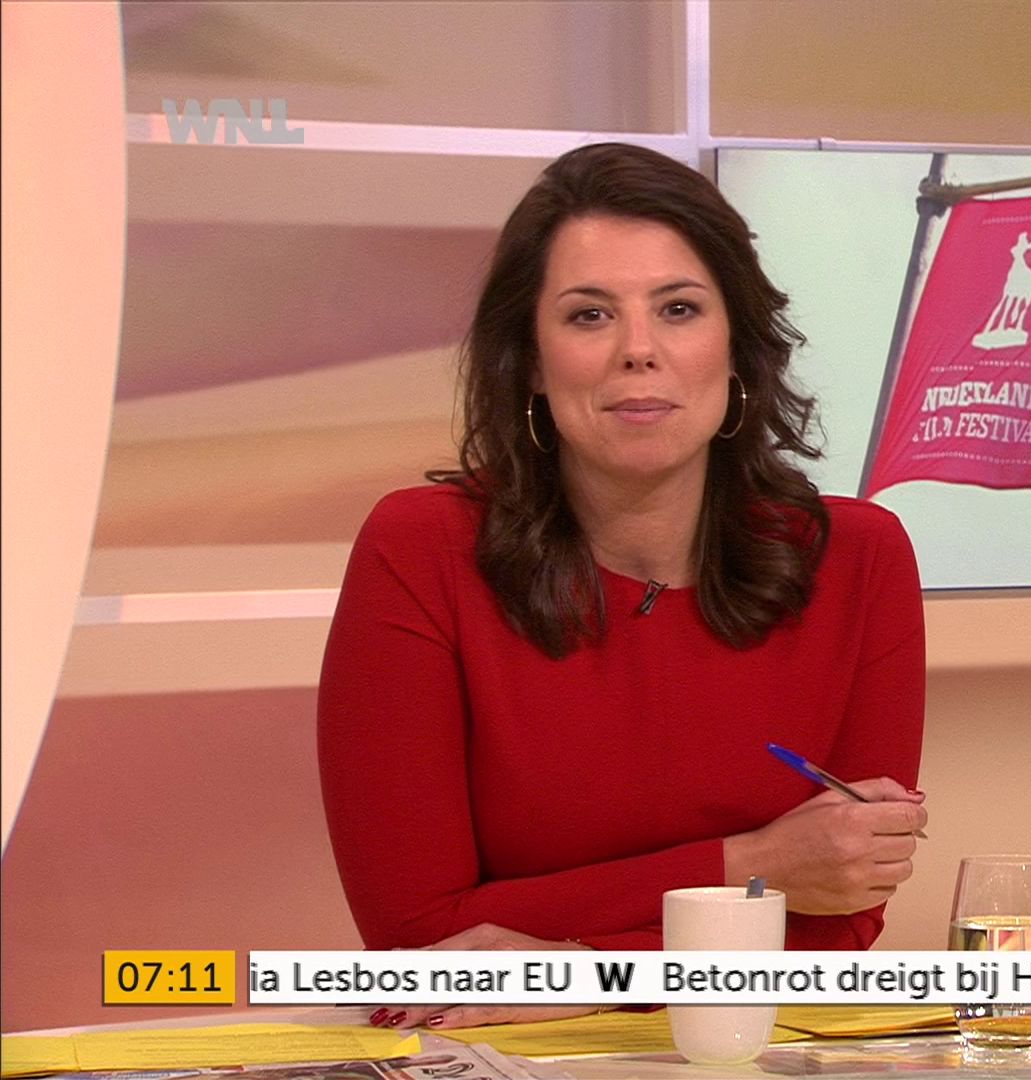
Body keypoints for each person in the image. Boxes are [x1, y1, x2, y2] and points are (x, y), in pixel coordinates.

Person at [317, 143, 928, 1029]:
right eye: (590, 315)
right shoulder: (420, 551)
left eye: (679, 309)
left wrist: (577, 971)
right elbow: (420, 946)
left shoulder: (859, 559)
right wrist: (752, 866)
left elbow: (837, 920)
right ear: (531, 359)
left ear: (737, 346)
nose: (639, 351)